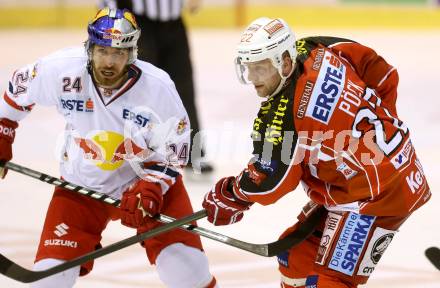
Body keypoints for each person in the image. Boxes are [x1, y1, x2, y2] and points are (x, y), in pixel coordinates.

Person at [201, 17, 431, 288]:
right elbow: (383, 73)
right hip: (386, 171)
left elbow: (268, 183)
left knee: (332, 279)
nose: (252, 79)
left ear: (285, 61)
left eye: (260, 68)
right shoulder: (316, 47)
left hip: (376, 197)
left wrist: (230, 194)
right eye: (248, 68)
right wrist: (382, 125)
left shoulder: (283, 117)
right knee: (297, 257)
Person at [0, 7, 218, 288]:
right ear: (89, 48)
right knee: (49, 280)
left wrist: (152, 185)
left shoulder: (157, 87)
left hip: (145, 184)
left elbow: (176, 148)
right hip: (81, 187)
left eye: (118, 53)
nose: (109, 61)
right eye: (102, 51)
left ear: (132, 54)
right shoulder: (62, 69)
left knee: (189, 276)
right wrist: (4, 131)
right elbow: (17, 90)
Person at [102, 0, 214, 174]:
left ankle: (192, 152)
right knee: (139, 88)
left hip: (174, 22)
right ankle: (132, 152)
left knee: (183, 88)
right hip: (136, 21)